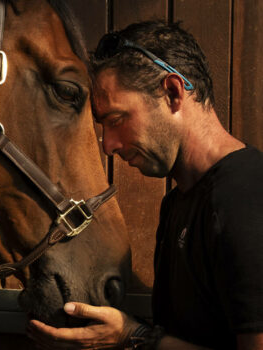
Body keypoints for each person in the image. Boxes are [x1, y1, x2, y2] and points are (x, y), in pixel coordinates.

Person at [27, 20, 263, 350]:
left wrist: (133, 336)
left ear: (172, 93)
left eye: (117, 119)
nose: (108, 145)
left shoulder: (247, 199)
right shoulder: (178, 202)